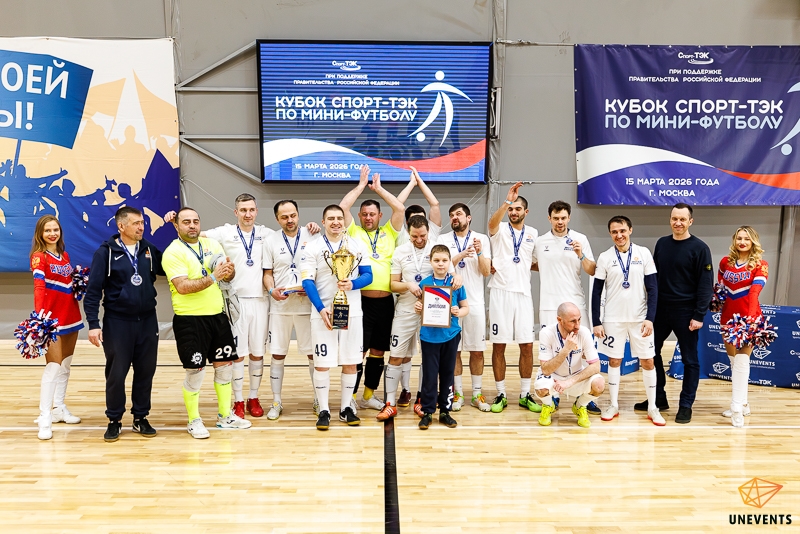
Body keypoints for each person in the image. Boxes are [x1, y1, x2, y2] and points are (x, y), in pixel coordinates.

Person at [162, 207, 252, 439]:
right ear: (177, 225)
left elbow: (226, 274)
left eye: (195, 221)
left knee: (225, 368)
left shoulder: (211, 244)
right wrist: (213, 277)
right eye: (186, 222)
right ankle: (194, 420)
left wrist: (228, 272)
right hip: (190, 320)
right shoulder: (173, 252)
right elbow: (183, 287)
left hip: (217, 317)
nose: (192, 225)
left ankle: (225, 416)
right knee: (196, 371)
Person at [84, 207, 163, 442]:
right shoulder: (106, 253)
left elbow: (169, 266)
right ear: (121, 226)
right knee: (117, 373)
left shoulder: (148, 249)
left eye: (142, 223)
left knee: (146, 371)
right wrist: (93, 324)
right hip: (118, 322)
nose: (141, 227)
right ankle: (114, 420)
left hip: (147, 320)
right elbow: (93, 291)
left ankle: (140, 417)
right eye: (136, 223)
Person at [637, 203, 713, 424]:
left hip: (686, 312)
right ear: (670, 220)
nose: (678, 223)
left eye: (682, 219)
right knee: (651, 353)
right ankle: (658, 398)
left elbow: (705, 285)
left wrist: (699, 315)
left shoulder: (700, 248)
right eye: (674, 219)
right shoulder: (662, 244)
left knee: (690, 360)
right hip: (661, 310)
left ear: (690, 221)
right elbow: (653, 278)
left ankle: (686, 405)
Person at [300, 204, 373, 430]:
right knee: (322, 363)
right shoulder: (312, 247)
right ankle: (323, 410)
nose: (336, 222)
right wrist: (321, 309)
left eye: (339, 218)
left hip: (352, 312)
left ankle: (345, 408)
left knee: (351, 361)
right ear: (323, 222)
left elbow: (368, 275)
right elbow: (307, 281)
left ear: (344, 221)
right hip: (324, 313)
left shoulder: (357, 245)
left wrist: (353, 284)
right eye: (331, 218)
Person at [339, 164, 405, 411]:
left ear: (379, 216)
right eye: (364, 214)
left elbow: (400, 208)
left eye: (372, 214)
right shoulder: (353, 232)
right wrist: (360, 186)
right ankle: (351, 397)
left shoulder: (389, 231)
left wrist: (379, 189)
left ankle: (368, 395)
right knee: (358, 352)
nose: (368, 217)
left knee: (378, 351)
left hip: (385, 302)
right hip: (361, 301)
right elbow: (343, 208)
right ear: (359, 216)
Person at [592, 215, 664, 426]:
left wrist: (650, 319)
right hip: (613, 319)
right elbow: (596, 292)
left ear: (630, 230)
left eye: (622, 230)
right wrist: (596, 321)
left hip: (640, 319)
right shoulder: (605, 257)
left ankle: (653, 407)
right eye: (614, 232)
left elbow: (653, 289)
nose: (619, 235)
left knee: (648, 361)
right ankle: (613, 404)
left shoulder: (643, 253)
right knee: (614, 361)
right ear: (610, 234)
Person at [531, 200, 601, 416]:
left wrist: (581, 255)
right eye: (556, 218)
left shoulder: (580, 239)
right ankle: (553, 395)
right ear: (549, 218)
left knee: (582, 350)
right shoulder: (540, 241)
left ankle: (584, 396)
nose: (560, 222)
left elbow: (592, 269)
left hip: (575, 303)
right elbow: (532, 263)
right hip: (549, 304)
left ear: (569, 218)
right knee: (553, 351)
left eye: (563, 218)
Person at [262, 200, 319, 420]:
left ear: (298, 214)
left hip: (307, 306)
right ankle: (276, 401)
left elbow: (321, 269)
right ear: (277, 219)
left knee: (313, 355)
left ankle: (318, 398)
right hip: (280, 306)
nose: (290, 220)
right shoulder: (270, 240)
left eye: (293, 215)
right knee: (278, 354)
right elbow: (267, 274)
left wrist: (312, 288)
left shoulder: (312, 235)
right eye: (284, 217)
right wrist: (271, 290)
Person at [30, 215, 84, 440]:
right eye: (47, 230)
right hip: (51, 319)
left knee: (65, 366)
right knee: (52, 367)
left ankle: (58, 408)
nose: (52, 234)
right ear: (40, 234)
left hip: (71, 315)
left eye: (55, 230)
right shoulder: (38, 257)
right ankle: (45, 417)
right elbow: (39, 287)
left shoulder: (65, 256)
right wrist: (40, 317)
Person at [487, 182, 538, 413]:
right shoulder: (499, 229)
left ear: (526, 212)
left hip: (523, 295)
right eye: (511, 209)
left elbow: (533, 262)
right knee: (499, 346)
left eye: (518, 208)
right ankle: (501, 394)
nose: (513, 212)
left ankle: (525, 394)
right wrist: (507, 200)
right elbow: (491, 224)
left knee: (527, 346)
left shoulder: (533, 233)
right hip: (500, 293)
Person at [377, 216, 435, 421]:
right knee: (395, 356)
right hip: (405, 309)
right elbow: (393, 284)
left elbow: (446, 277)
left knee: (429, 357)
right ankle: (390, 404)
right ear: (408, 233)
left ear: (428, 232)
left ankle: (422, 401)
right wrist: (408, 285)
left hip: (430, 311)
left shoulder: (437, 249)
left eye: (422, 236)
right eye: (414, 236)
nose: (419, 240)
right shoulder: (400, 251)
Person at [437, 202, 492, 412]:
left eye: (458, 214)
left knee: (477, 351)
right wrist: (460, 255)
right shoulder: (443, 240)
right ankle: (457, 393)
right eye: (451, 214)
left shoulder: (482, 238)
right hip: (450, 302)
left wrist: (479, 252)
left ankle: (477, 394)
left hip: (475, 302)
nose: (454, 217)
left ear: (468, 218)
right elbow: (440, 265)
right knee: (455, 351)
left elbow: (486, 271)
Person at [717, 226, 768, 428]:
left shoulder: (761, 264)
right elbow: (721, 288)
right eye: (739, 238)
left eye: (747, 239)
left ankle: (736, 407)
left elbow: (754, 292)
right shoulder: (725, 262)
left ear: (753, 241)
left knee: (741, 360)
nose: (742, 242)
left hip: (749, 318)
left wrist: (751, 319)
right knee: (734, 362)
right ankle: (744, 403)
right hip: (727, 317)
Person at [415, 245, 469, 430]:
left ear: (449, 262)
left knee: (447, 373)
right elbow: (420, 306)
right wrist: (418, 308)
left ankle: (445, 411)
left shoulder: (456, 284)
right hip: (429, 336)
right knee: (429, 375)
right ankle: (428, 412)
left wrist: (458, 311)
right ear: (430, 261)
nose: (440, 264)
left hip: (450, 335)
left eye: (444, 260)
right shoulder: (425, 283)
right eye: (436, 260)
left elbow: (466, 307)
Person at [535, 302, 605, 428]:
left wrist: (569, 382)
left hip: (575, 375)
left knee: (599, 384)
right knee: (541, 388)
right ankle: (548, 405)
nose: (577, 325)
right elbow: (545, 370)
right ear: (559, 320)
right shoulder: (546, 333)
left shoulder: (584, 332)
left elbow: (596, 366)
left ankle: (580, 406)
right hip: (553, 376)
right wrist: (566, 350)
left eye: (579, 320)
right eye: (573, 321)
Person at [395, 166, 443, 246]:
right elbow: (396, 206)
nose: (418, 222)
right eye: (414, 219)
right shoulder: (400, 234)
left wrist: (419, 180)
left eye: (422, 219)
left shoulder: (431, 232)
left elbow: (435, 204)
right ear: (407, 222)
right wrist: (412, 183)